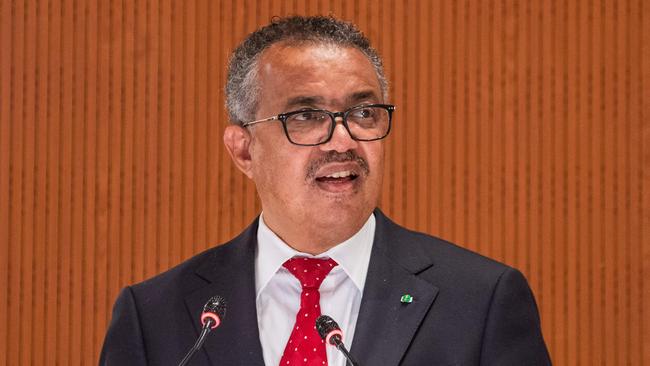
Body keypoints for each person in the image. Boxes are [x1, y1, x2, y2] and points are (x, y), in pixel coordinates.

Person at [100, 15, 551, 366]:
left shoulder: (479, 301)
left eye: (364, 113)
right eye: (305, 117)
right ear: (243, 150)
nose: (344, 140)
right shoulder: (155, 318)